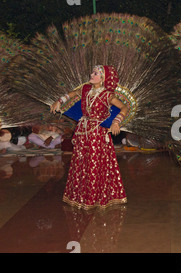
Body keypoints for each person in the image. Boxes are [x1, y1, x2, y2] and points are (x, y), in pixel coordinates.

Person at [50, 65, 129, 209]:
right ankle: (80, 196)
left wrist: (116, 122)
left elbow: (124, 107)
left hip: (97, 133)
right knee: (81, 162)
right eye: (92, 72)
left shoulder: (107, 95)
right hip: (83, 131)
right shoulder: (86, 89)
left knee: (94, 163)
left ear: (103, 79)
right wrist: (59, 101)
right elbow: (72, 94)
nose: (92, 74)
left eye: (96, 73)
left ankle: (94, 198)